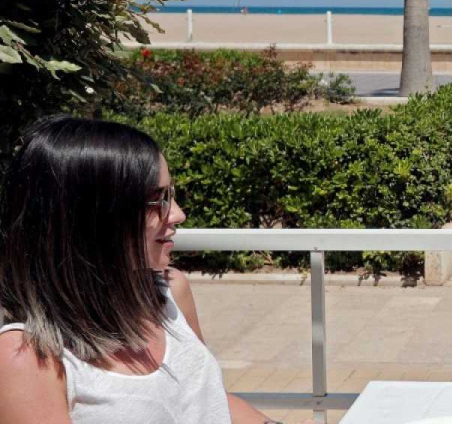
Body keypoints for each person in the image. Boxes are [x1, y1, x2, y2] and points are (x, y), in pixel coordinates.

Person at [0, 117, 302, 424]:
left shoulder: (169, 293)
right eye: (158, 200)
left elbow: (207, 400)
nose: (178, 214)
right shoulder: (28, 355)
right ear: (91, 219)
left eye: (171, 195)